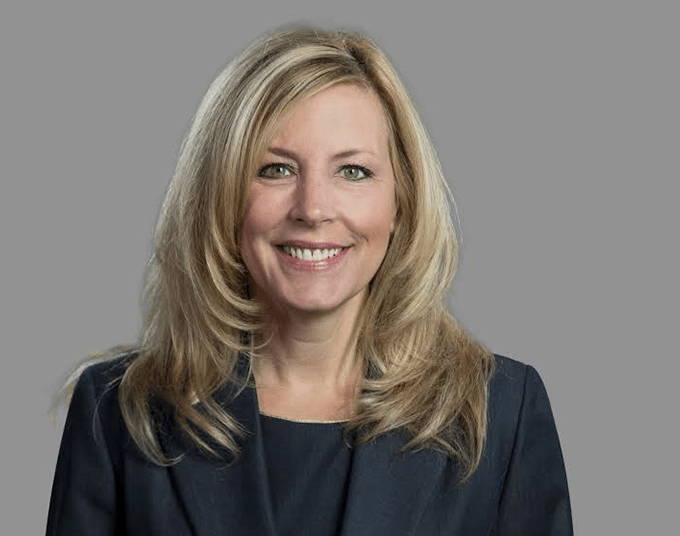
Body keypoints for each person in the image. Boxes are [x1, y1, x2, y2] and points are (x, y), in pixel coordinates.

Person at [46, 25, 573, 535]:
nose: (314, 209)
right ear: (222, 196)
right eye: (275, 169)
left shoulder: (500, 411)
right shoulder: (119, 411)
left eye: (353, 171)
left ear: (401, 203)